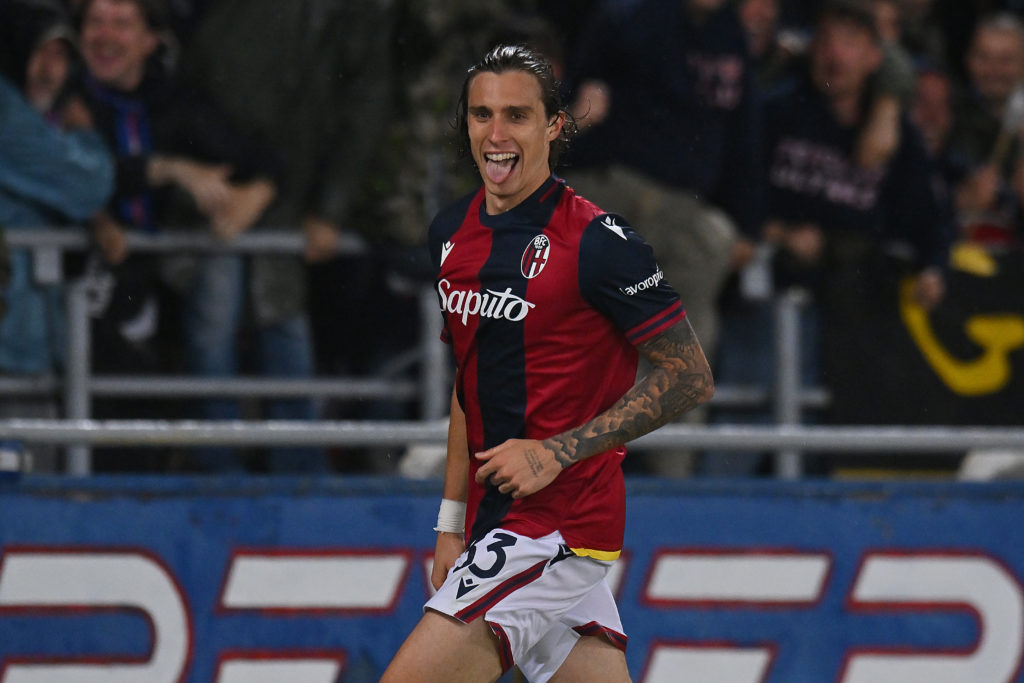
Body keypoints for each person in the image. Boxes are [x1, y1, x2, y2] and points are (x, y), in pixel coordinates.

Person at [381, 45, 714, 683]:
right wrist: (450, 524)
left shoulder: (600, 242)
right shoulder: (450, 234)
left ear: (554, 127)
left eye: (517, 116)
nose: (497, 135)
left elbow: (689, 375)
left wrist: (555, 451)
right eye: (481, 115)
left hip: (554, 528)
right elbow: (467, 386)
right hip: (498, 527)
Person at [70, 0, 314, 473]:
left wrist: (253, 195)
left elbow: (261, 156)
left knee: (223, 254)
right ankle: (213, 461)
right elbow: (74, 174)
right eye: (95, 22)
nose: (106, 35)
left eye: (121, 24)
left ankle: (251, 461)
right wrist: (163, 173)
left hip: (155, 291)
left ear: (149, 41)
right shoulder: (66, 97)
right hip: (90, 287)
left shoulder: (172, 99)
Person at [559, 0, 759, 477]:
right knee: (572, 336)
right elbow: (574, 102)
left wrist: (749, 222)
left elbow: (746, 133)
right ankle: (552, 466)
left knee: (688, 340)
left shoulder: (731, 36)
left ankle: (674, 477)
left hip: (683, 209)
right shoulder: (625, 18)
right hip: (612, 192)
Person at [0, 0, 114, 472]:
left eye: (61, 57)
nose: (50, 71)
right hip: (11, 356)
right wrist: (86, 138)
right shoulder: (5, 112)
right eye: (39, 54)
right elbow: (87, 185)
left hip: (28, 351)